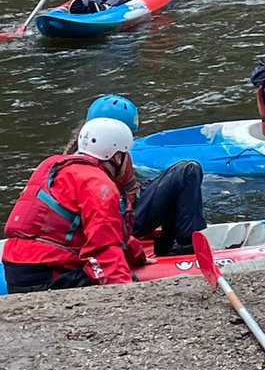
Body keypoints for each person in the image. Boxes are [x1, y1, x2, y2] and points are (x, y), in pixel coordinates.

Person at [2, 118, 147, 292]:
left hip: (14, 267)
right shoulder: (99, 185)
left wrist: (137, 255)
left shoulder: (52, 165)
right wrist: (124, 290)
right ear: (116, 157)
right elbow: (101, 251)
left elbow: (104, 231)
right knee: (127, 280)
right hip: (47, 274)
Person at [83, 95, 206, 257]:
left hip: (128, 208)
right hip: (120, 220)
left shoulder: (114, 155)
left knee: (182, 177)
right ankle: (186, 244)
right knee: (187, 171)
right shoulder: (93, 166)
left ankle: (171, 241)